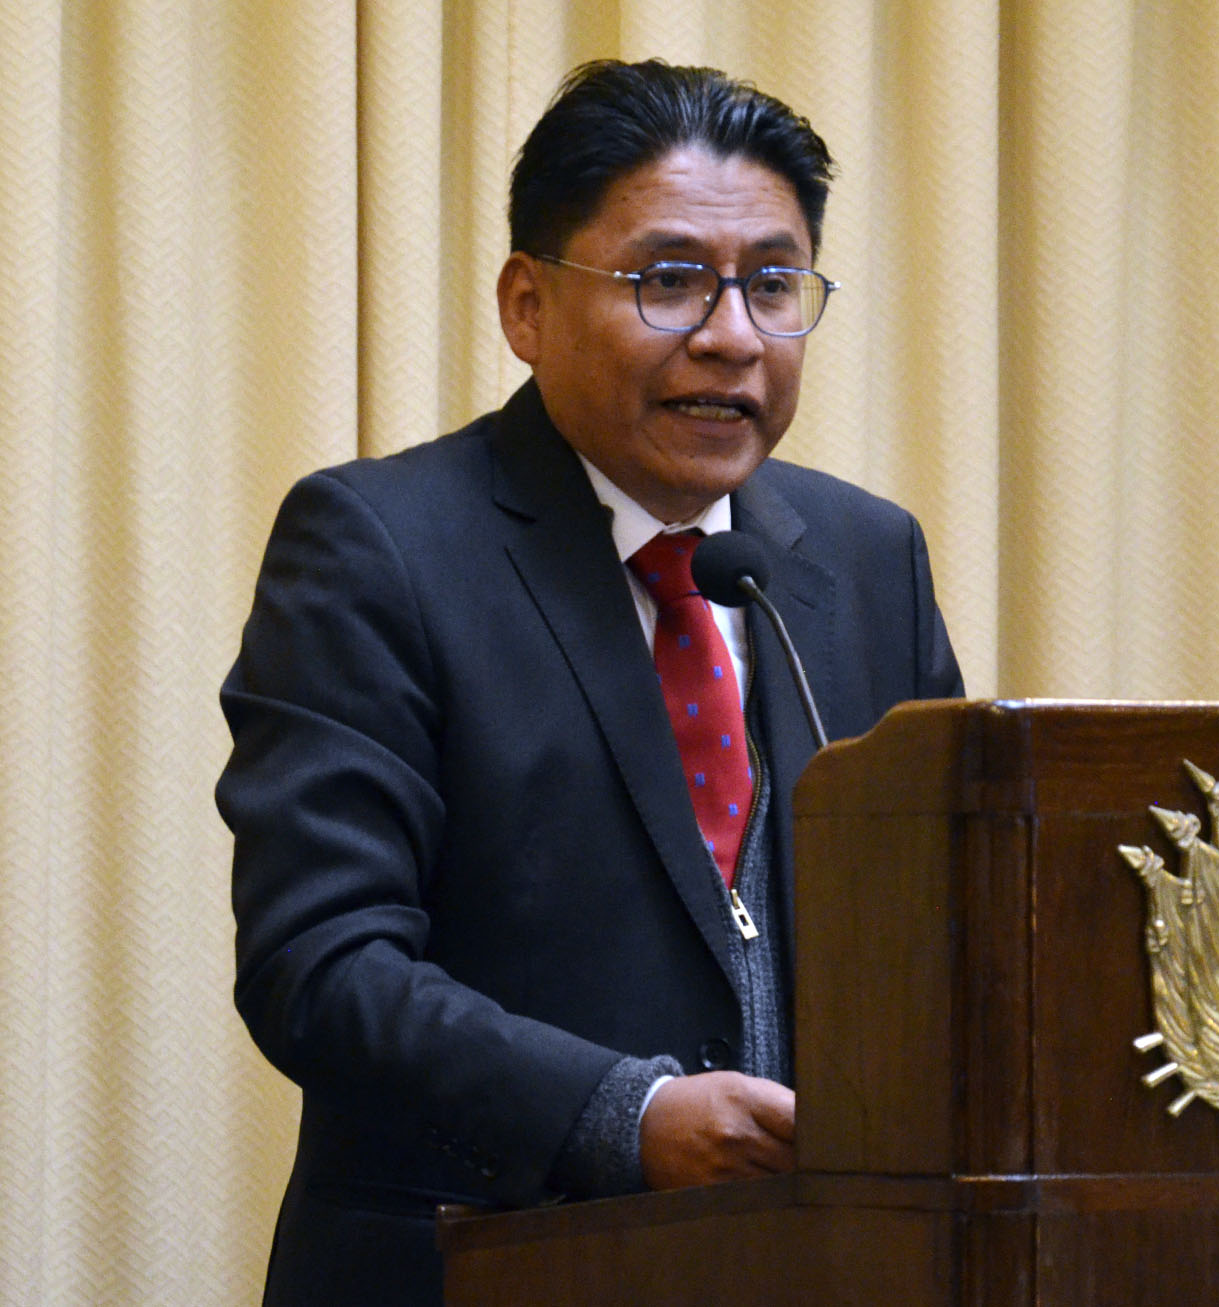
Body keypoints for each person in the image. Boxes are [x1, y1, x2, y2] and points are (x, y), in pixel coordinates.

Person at [216, 58, 963, 1307]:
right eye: (668, 280)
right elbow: (321, 963)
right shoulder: (380, 547)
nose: (731, 335)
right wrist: (624, 1113)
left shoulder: (862, 558)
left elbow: (955, 926)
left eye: (772, 284)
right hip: (475, 1267)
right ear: (527, 305)